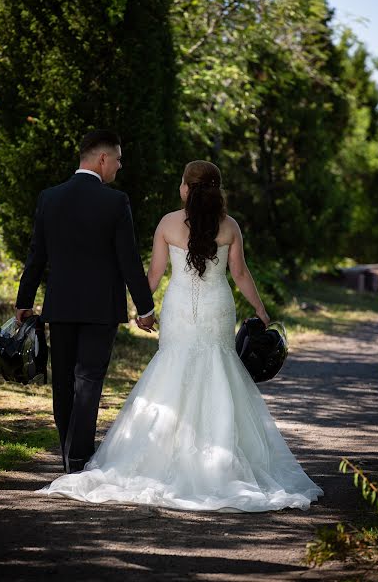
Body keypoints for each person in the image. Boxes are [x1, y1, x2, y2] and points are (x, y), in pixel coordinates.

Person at [36, 160, 324, 512]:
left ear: (186, 188)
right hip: (217, 308)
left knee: (173, 368)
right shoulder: (230, 226)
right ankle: (220, 457)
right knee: (219, 368)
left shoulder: (168, 223)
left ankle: (165, 452)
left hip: (179, 311)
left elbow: (154, 274)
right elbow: (241, 273)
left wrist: (143, 309)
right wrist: (262, 312)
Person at [15, 129, 155, 474]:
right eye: (118, 159)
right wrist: (146, 307)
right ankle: (79, 457)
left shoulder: (50, 197)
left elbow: (37, 256)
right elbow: (129, 260)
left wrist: (24, 301)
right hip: (100, 308)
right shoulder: (115, 202)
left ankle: (68, 456)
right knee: (88, 380)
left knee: (63, 380)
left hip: (60, 306)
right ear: (102, 159)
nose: (120, 167)